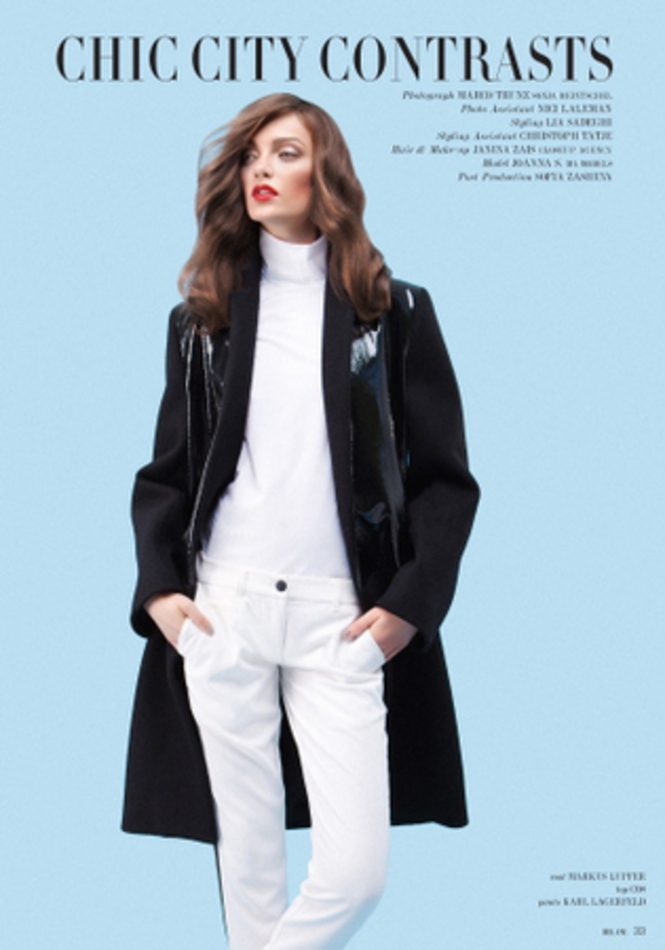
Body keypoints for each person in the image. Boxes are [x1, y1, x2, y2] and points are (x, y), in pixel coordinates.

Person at [123, 93, 480, 949]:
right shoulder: (201, 321)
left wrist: (404, 611)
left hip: (339, 623)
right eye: (250, 155)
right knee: (249, 881)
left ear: (329, 174)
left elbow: (445, 484)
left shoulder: (394, 315)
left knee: (354, 875)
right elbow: (168, 474)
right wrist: (162, 595)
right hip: (226, 614)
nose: (261, 169)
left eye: (284, 152)